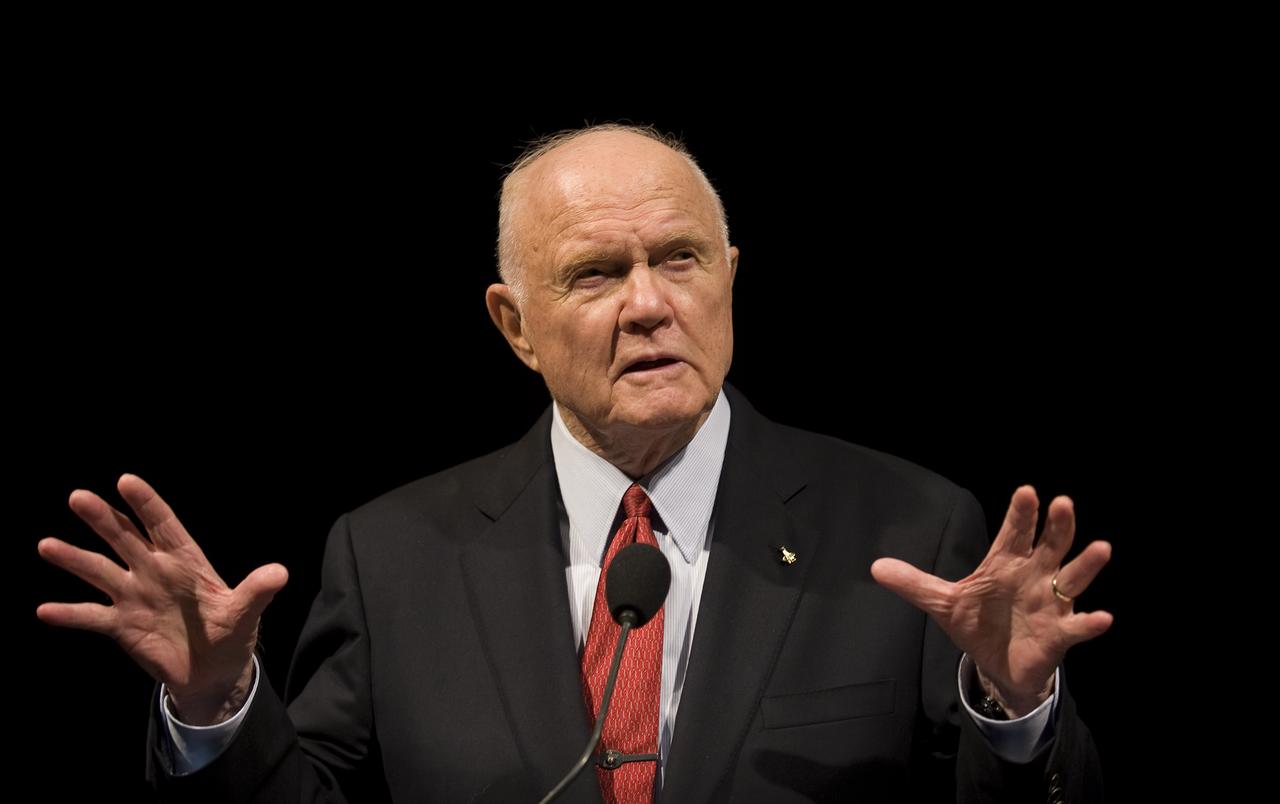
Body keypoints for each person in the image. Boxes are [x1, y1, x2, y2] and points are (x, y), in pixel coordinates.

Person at [36, 123, 1113, 802]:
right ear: (513, 324)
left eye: (679, 259)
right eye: (596, 272)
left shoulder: (905, 530)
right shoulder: (394, 554)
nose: (650, 304)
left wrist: (1013, 715)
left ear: (728, 278)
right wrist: (221, 706)